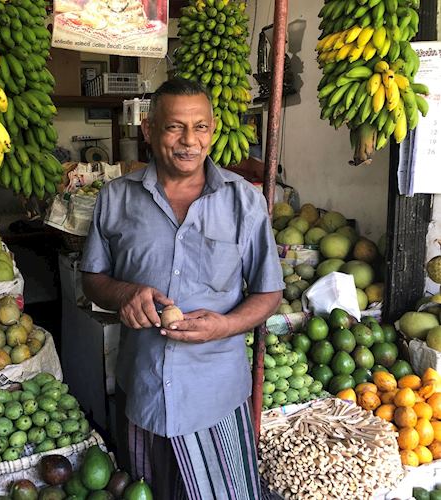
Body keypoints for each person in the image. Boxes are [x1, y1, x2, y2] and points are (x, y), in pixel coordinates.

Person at [80, 78, 284, 500]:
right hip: (144, 391)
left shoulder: (244, 201)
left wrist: (225, 326)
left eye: (200, 128)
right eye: (175, 127)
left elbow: (269, 293)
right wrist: (123, 295)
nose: (189, 141)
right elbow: (93, 278)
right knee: (148, 492)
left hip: (215, 396)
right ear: (150, 130)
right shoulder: (116, 198)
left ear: (212, 131)